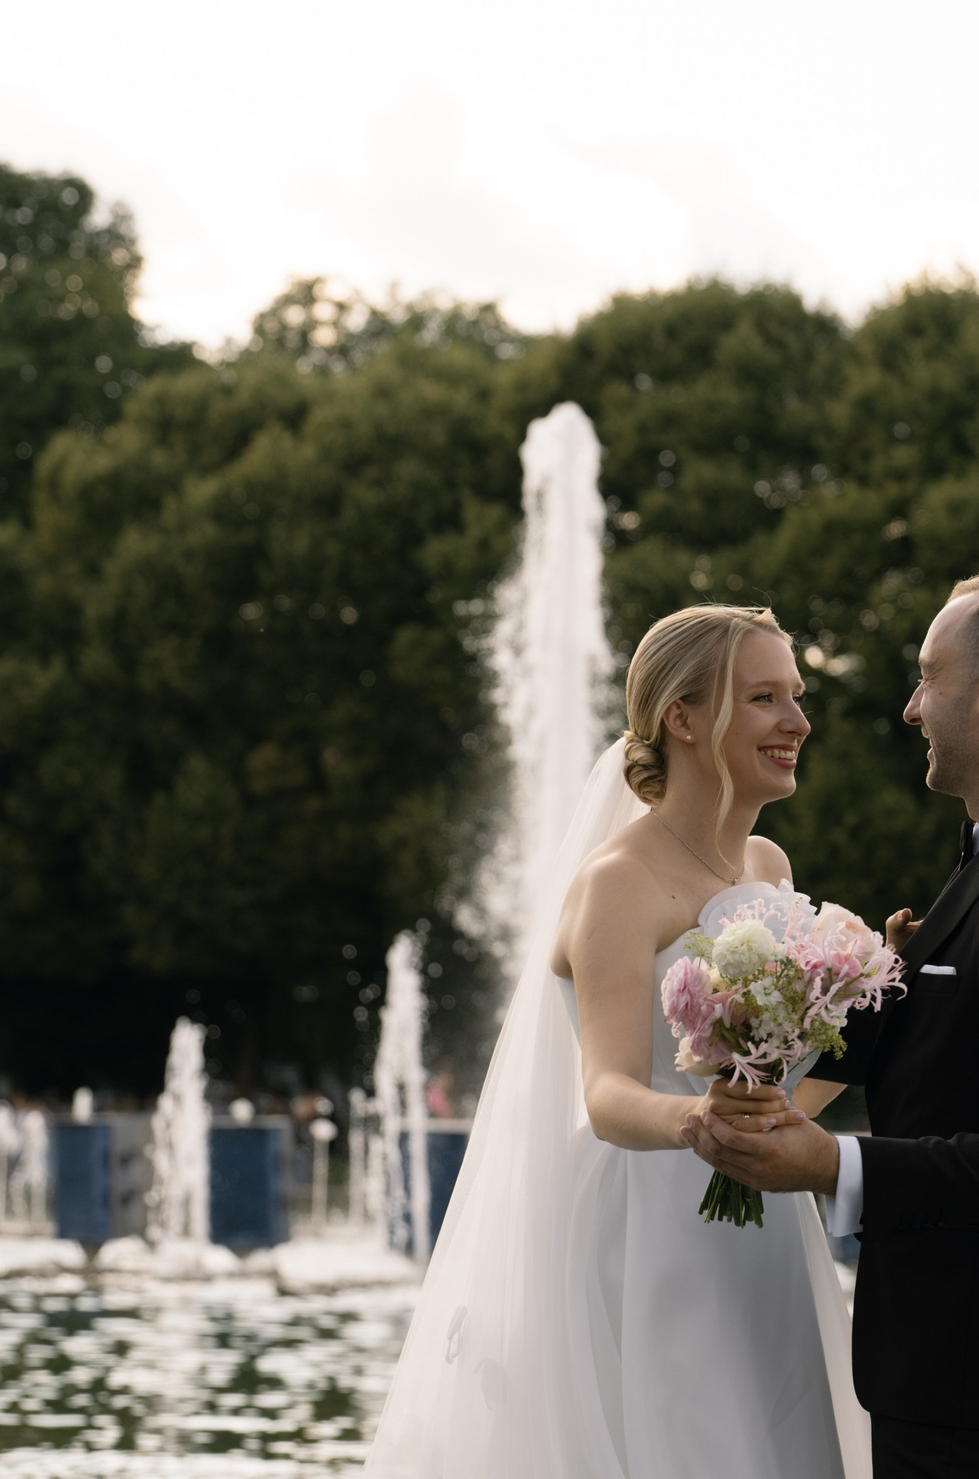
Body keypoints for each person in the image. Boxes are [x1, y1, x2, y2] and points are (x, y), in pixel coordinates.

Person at [368, 604, 863, 1479]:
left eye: (795, 695)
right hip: (651, 1230)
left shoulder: (770, 868)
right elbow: (606, 1092)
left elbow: (777, 1088)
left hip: (766, 1226)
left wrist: (867, 1022)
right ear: (682, 717)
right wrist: (697, 1123)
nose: (796, 721)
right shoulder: (618, 882)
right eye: (763, 698)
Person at [686, 574, 979, 1479]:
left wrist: (832, 1162)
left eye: (928, 677)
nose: (909, 706)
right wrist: (880, 986)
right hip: (960, 1363)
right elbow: (963, 1051)